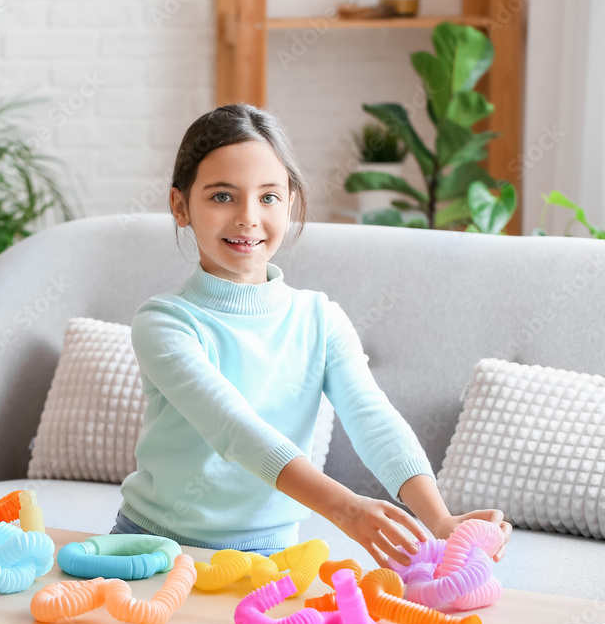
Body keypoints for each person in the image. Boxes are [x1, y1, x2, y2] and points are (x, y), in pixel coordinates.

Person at [110, 103, 512, 568]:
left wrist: (439, 520)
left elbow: (371, 418)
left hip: (273, 557)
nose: (248, 217)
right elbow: (236, 430)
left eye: (268, 197)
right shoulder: (165, 322)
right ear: (180, 206)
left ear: (291, 202)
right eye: (222, 196)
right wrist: (346, 509)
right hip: (158, 547)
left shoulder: (320, 319)